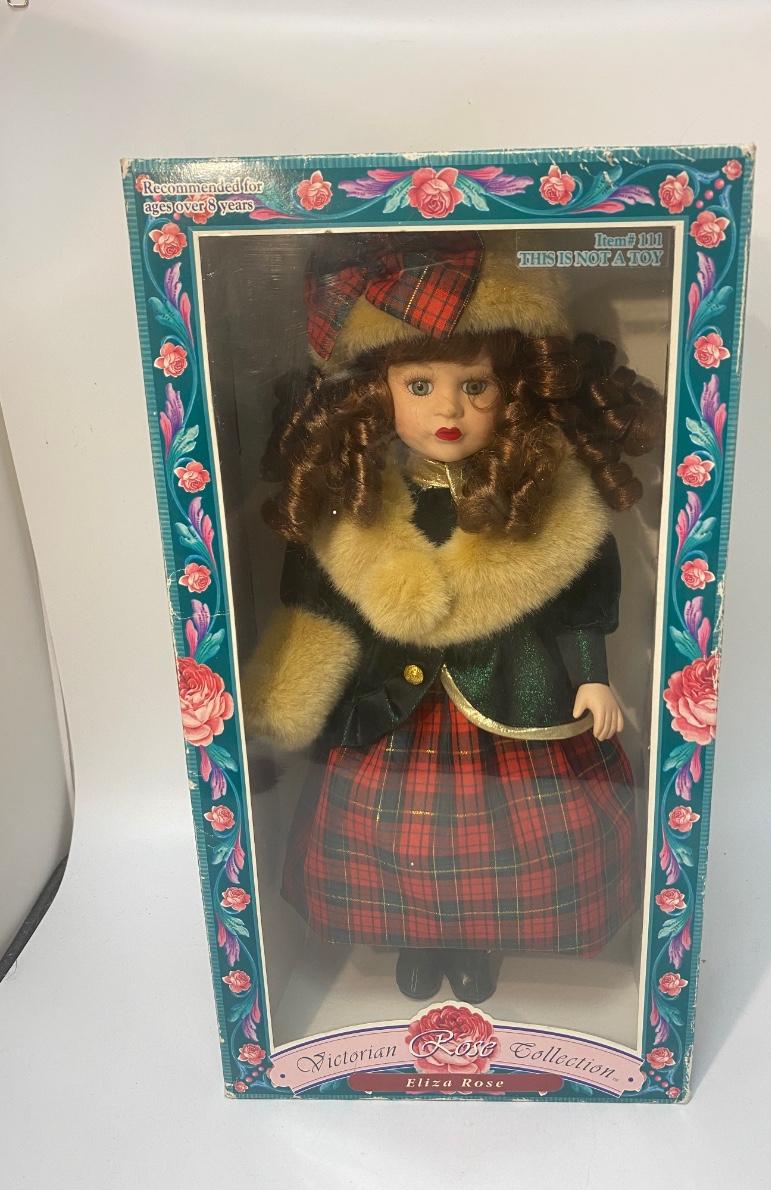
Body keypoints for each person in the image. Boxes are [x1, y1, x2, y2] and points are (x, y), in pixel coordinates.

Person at [244, 231, 662, 1004]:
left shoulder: (536, 497)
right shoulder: (357, 504)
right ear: (376, 392)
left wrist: (593, 677)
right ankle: (418, 937)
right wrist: (288, 693)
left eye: (475, 386)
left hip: (514, 700)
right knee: (391, 840)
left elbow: (580, 598)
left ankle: (478, 940)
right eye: (419, 384)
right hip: (391, 712)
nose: (448, 409)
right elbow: (320, 604)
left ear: (513, 391)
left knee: (510, 845)